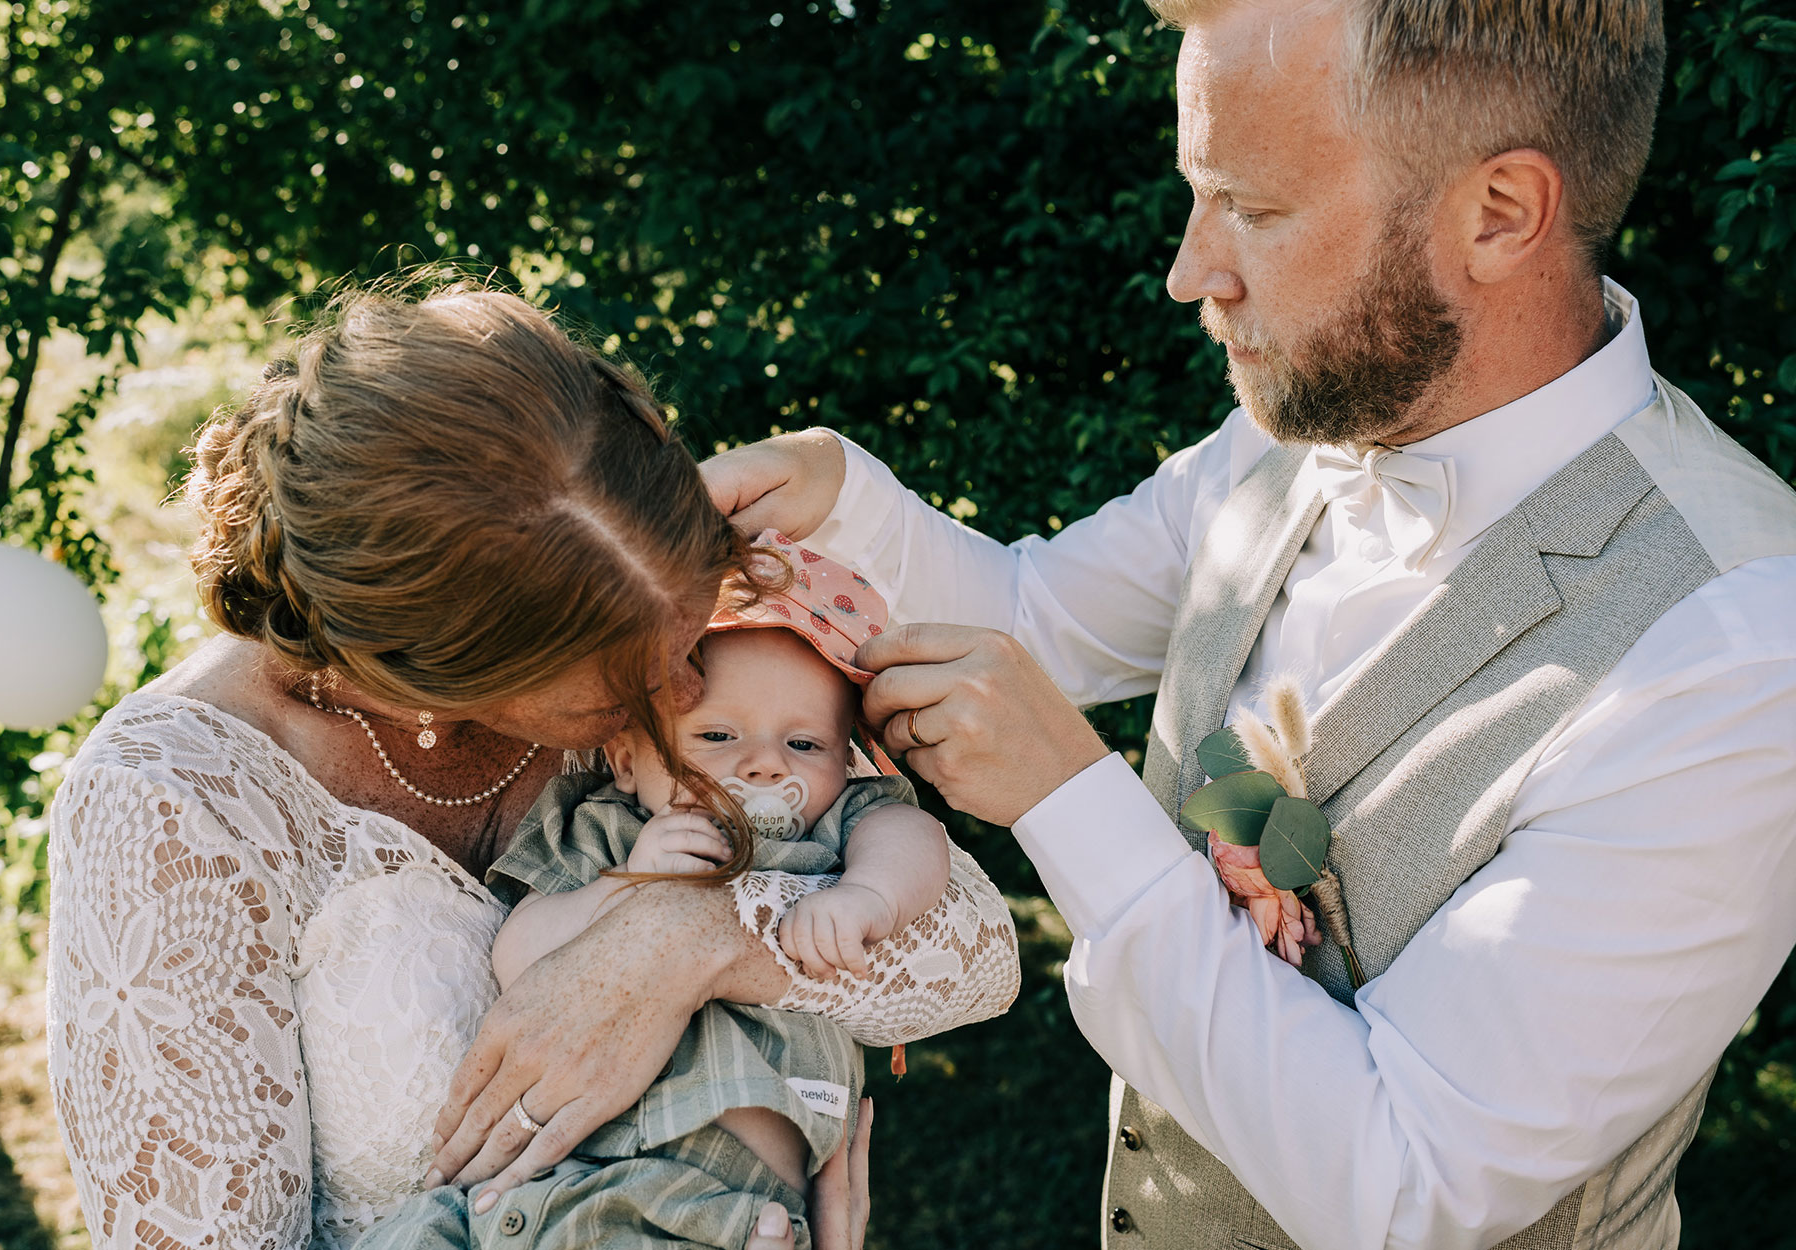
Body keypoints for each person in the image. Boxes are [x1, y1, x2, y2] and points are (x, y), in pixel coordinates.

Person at [703, 1, 1796, 1247]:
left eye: (1255, 210)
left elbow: (1406, 1183)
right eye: (1196, 196)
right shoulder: (1289, 430)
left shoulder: (1738, 648)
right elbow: (1034, 619)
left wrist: (1073, 798)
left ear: (1501, 213)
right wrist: (844, 494)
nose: (1189, 271)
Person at [43, 282, 1020, 1249]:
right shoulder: (174, 803)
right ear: (440, 670)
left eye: (694, 638)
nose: (688, 698)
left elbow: (972, 957)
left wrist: (684, 937)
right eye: (628, 692)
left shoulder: (619, 581)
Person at [354, 534, 953, 1249]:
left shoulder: (831, 833)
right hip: (522, 1186)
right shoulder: (602, 831)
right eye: (718, 735)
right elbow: (517, 952)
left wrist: (870, 897)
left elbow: (915, 838)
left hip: (702, 1199)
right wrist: (621, 894)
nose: (762, 764)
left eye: (803, 745)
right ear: (628, 759)